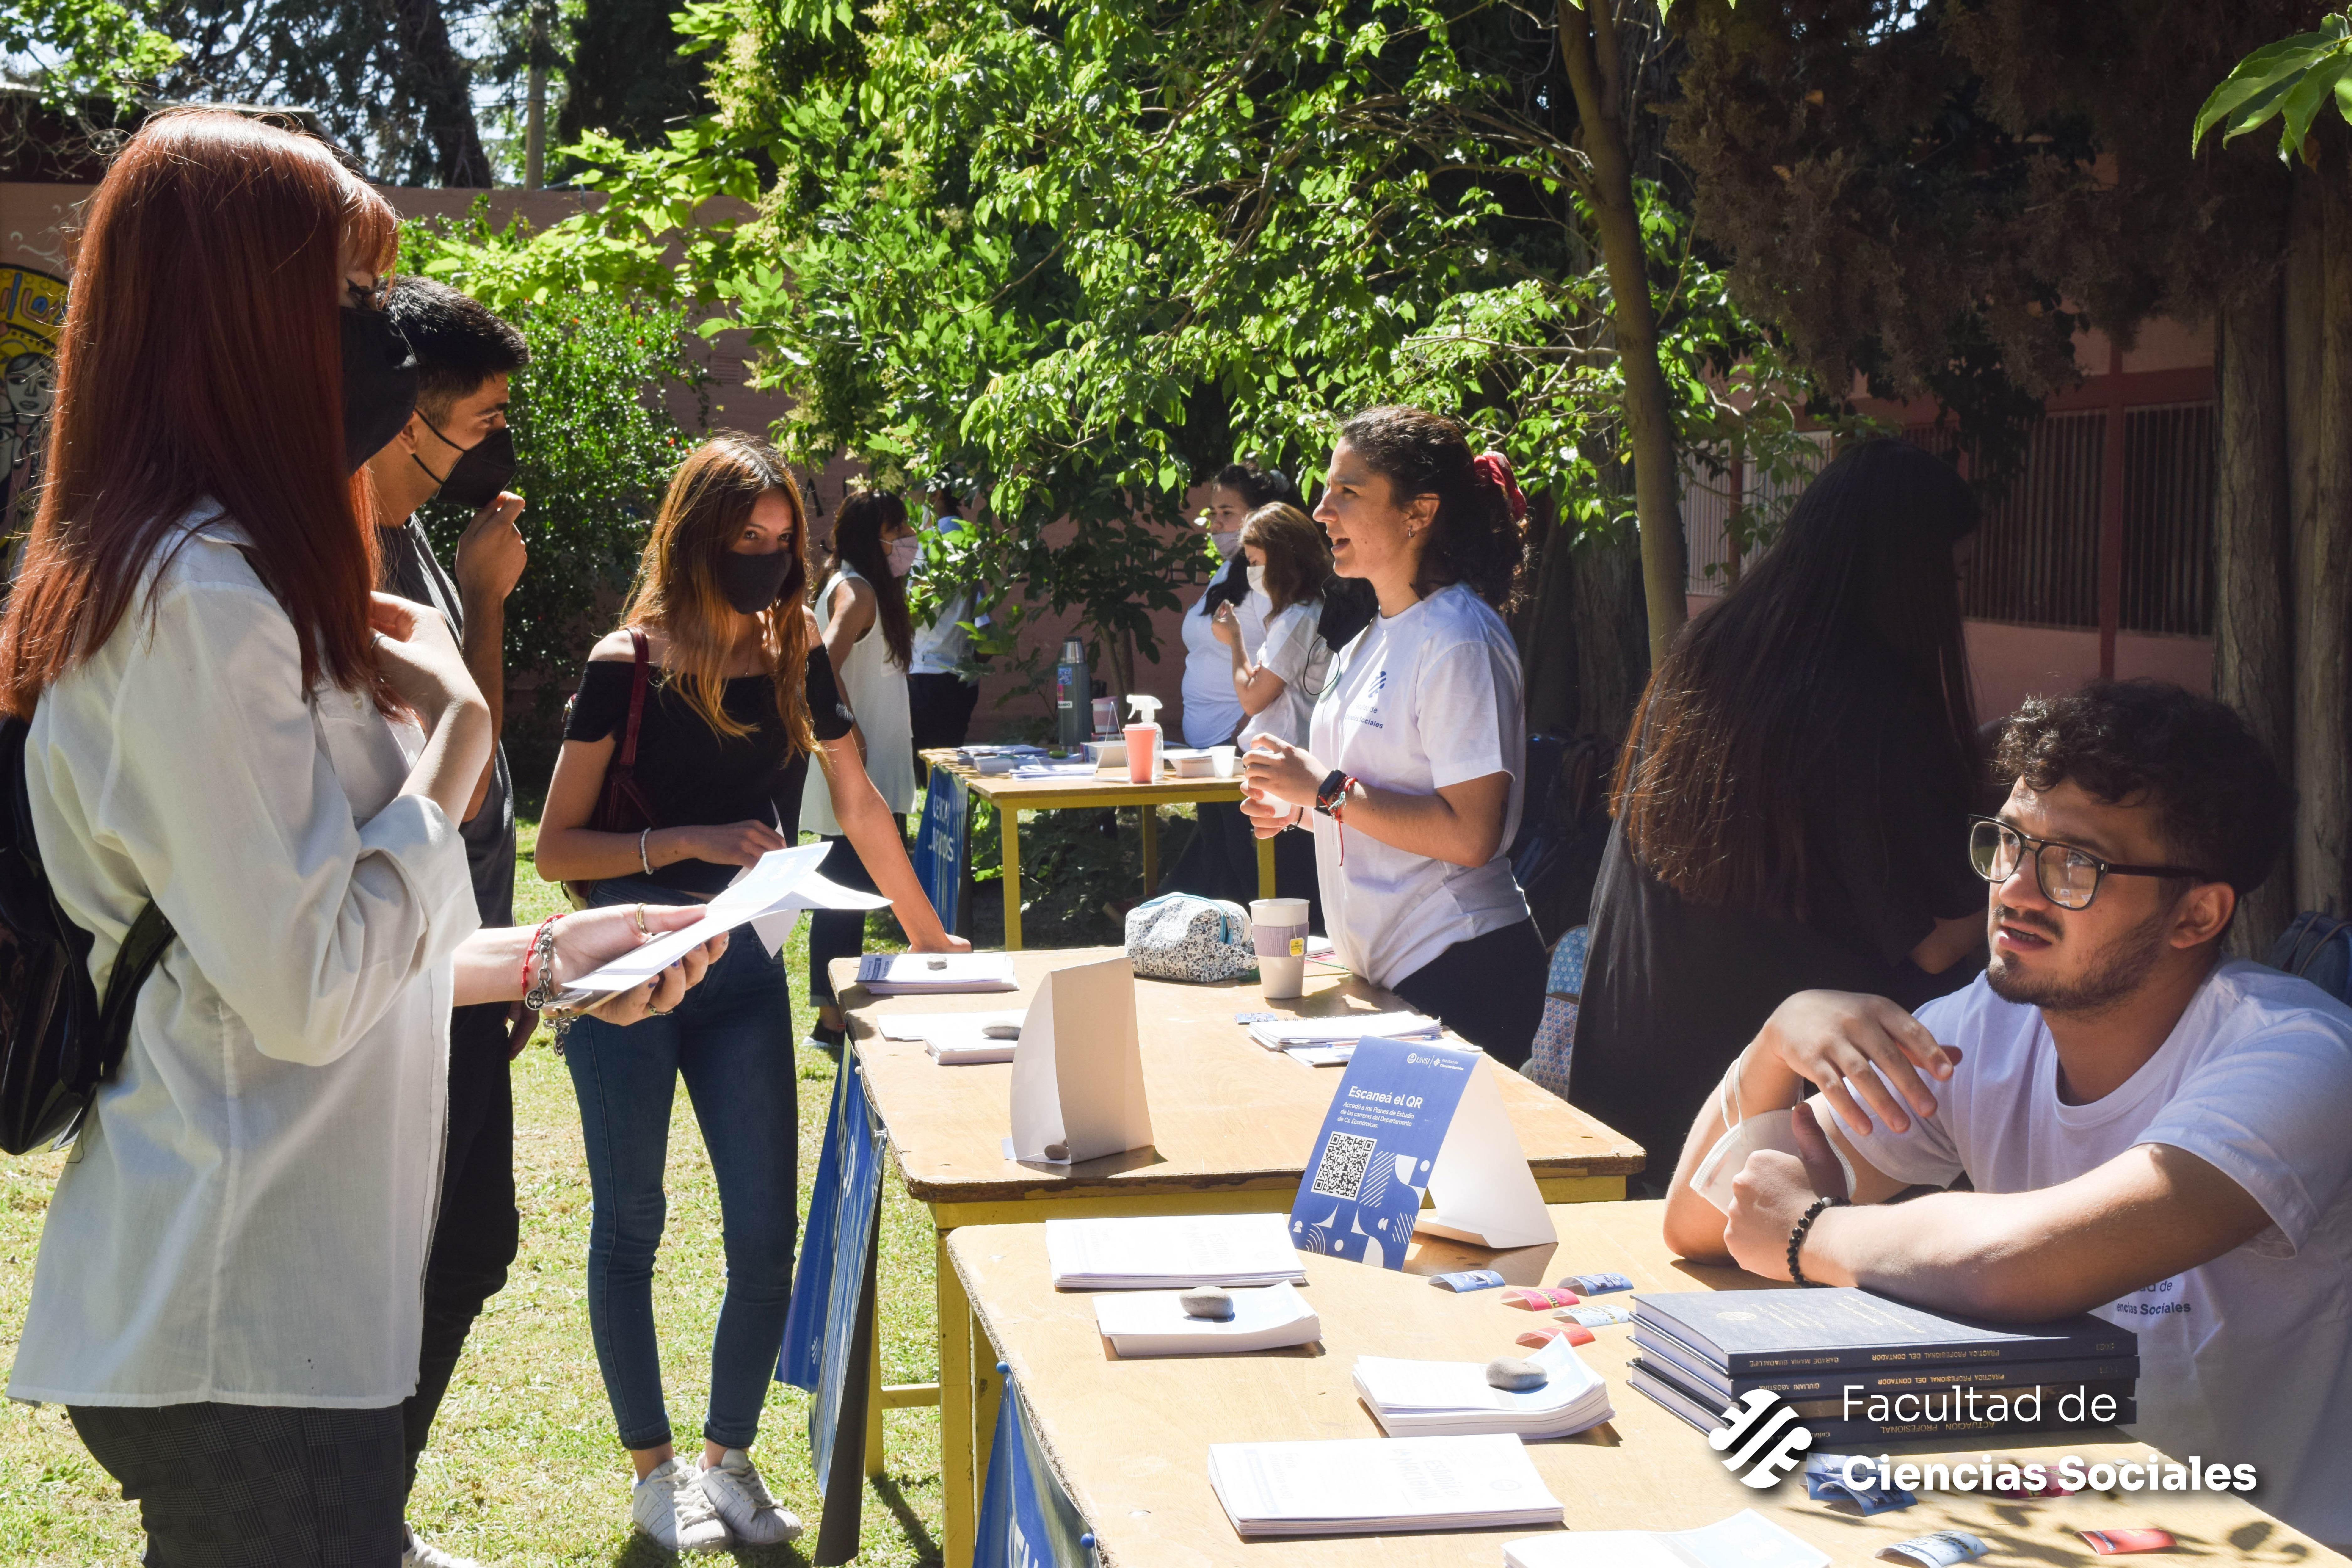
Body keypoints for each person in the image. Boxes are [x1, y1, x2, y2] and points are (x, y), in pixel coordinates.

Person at [0, 108, 716, 1567]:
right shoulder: (192, 604)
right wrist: (459, 743)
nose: (376, 346)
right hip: (239, 1324)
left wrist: (542, 958)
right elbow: (310, 986)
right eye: (342, 299)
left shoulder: (231, 581)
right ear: (236, 320)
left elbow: (288, 950)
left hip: (286, 1317)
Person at [1661, 680, 2352, 1545]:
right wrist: (1771, 1047)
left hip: (2258, 1541)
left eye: (2075, 865)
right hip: (2045, 1518)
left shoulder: (2300, 1057)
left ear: (2196, 915)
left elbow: (2026, 1261)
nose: (2015, 890)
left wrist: (1806, 1235)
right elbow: (1699, 1219)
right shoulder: (1988, 1028)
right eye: (2009, 843)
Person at [533, 436, 966, 1552]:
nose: (770, 565)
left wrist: (932, 940)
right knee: (630, 1224)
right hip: (626, 976)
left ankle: (727, 1460)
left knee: (764, 1229)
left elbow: (861, 802)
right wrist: (687, 837)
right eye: (748, 543)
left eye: (785, 545)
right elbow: (553, 845)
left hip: (742, 981)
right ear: (695, 538)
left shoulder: (795, 646)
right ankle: (652, 1472)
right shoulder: (624, 664)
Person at [1572, 438, 1987, 1184]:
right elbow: (1931, 940)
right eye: (1950, 575)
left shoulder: (1709, 653)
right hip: (1785, 1118)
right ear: (1911, 572)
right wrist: (2042, 867)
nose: (1955, 599)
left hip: (1645, 1078)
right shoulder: (1875, 701)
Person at [358, 273, 531, 1568]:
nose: (482, 449)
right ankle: (354, 1517)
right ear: (398, 406)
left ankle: (374, 1514)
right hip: (394, 975)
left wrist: (484, 592)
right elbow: (435, 742)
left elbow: (470, 731)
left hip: (466, 957)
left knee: (472, 1241)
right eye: (471, 422)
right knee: (412, 1256)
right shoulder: (331, 541)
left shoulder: (407, 527)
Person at [1240, 406, 1544, 1064]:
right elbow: (1379, 796)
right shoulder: (1375, 635)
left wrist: (1322, 790)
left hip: (1460, 968)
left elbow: (1470, 835)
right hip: (1388, 979)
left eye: (1348, 492)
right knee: (1357, 1171)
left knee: (1371, 1170)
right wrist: (1295, 806)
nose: (1323, 512)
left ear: (1419, 513)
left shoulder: (1460, 638)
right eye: (1326, 491)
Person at [803, 487, 922, 1051]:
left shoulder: (855, 584)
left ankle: (835, 1015)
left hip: (869, 774)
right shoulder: (857, 589)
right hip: (858, 776)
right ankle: (830, 1023)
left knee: (851, 891)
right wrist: (847, 731)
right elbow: (821, 661)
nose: (907, 542)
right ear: (870, 536)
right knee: (847, 893)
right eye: (897, 531)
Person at [1165, 460, 1294, 904]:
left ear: (1258, 517)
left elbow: (1287, 651)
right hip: (1207, 747)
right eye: (1213, 514)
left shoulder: (1263, 575)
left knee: (1245, 865)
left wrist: (1246, 723)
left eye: (1227, 514)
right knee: (1218, 860)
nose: (1215, 524)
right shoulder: (1227, 573)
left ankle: (1265, 948)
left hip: (1235, 743)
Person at [1210, 500, 1333, 926]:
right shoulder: (1297, 614)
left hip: (1284, 770)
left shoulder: (1299, 617)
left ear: (1283, 559)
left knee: (1275, 884)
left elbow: (1253, 697)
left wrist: (1235, 640)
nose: (1253, 573)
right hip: (1274, 766)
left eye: (1258, 562)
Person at [906, 479, 987, 773]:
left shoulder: (929, 542)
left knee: (920, 771)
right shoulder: (972, 540)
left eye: (916, 492)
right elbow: (982, 612)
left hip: (926, 673)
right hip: (962, 676)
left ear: (936, 493)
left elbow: (909, 607)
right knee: (952, 772)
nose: (912, 500)